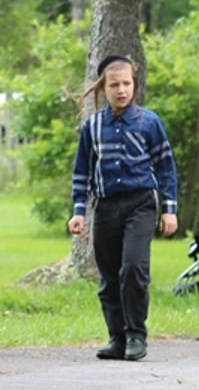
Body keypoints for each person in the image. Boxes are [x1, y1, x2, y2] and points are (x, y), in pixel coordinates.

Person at [68, 55, 180, 362]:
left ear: (135, 85)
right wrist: (78, 211)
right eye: (114, 85)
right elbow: (82, 172)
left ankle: (135, 335)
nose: (121, 90)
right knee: (109, 276)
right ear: (104, 88)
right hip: (105, 208)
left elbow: (166, 167)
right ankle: (116, 337)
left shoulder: (149, 123)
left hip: (140, 204)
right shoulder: (92, 127)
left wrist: (169, 209)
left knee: (133, 268)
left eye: (127, 84)